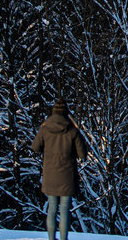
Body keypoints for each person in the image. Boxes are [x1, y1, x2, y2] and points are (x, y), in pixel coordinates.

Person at [32, 99, 87, 240]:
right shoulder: (72, 130)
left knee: (51, 209)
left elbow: (35, 147)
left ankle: (51, 238)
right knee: (64, 210)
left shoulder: (45, 128)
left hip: (50, 174)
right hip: (67, 176)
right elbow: (83, 155)